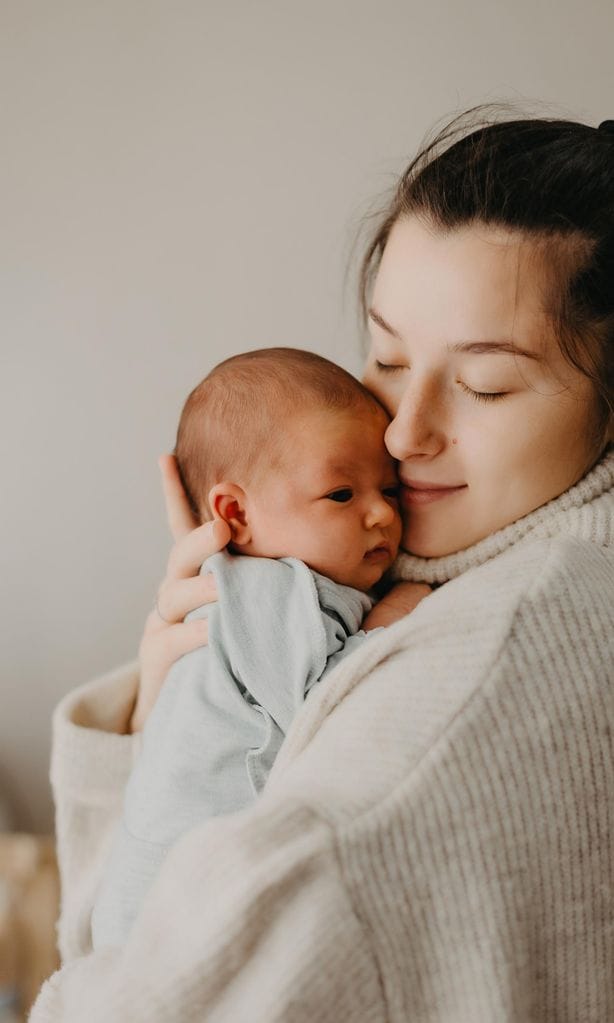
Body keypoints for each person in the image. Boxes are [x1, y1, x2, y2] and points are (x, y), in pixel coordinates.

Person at [32, 109, 614, 1022]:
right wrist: (164, 696)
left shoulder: (461, 690)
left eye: (485, 383)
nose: (401, 430)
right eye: (386, 357)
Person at [90, 347, 415, 949]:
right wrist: (392, 618)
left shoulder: (291, 588)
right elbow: (321, 709)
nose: (380, 514)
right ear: (234, 511)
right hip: (171, 891)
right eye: (342, 495)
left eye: (390, 490)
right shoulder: (268, 590)